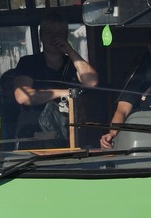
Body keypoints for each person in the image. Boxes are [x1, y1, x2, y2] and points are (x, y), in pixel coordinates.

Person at [11, 13, 98, 147]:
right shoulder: (28, 62)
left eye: (59, 33)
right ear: (41, 36)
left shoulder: (74, 63)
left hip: (69, 136)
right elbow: (22, 96)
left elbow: (91, 81)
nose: (54, 37)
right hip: (34, 137)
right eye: (49, 32)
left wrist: (71, 52)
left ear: (66, 35)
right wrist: (65, 93)